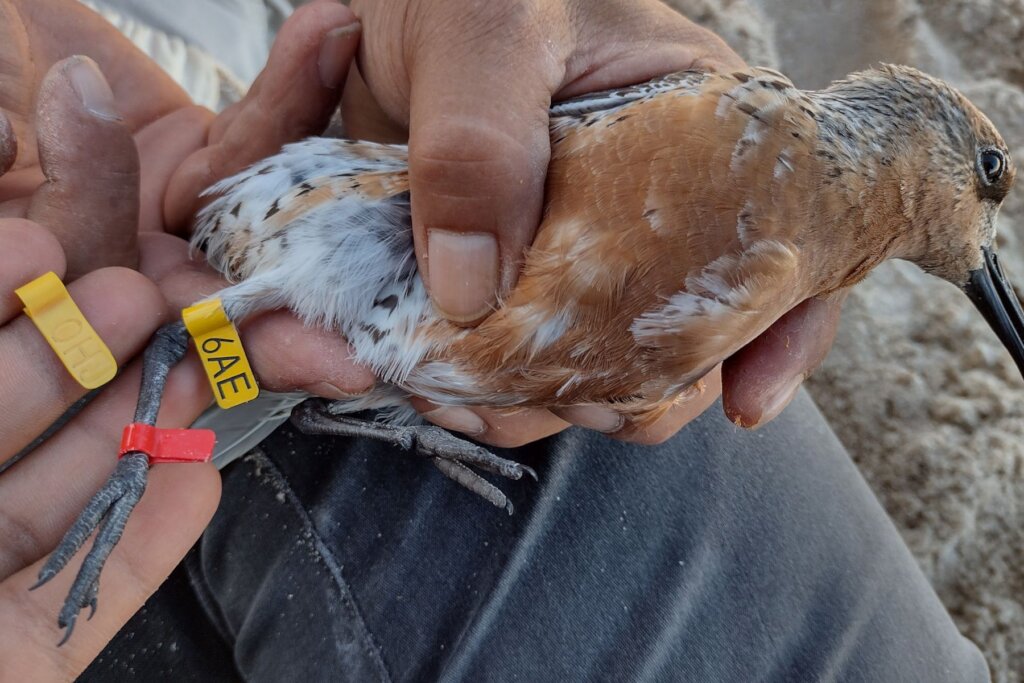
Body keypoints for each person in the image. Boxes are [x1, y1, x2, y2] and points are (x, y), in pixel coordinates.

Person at [0, 0, 990, 679]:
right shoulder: (749, 128)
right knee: (179, 349)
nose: (989, 250)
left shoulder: (790, 219)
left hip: (228, 140)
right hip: (280, 220)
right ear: (926, 134)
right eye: (989, 177)